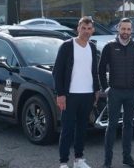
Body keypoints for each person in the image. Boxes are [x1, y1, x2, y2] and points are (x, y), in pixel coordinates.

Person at [98, 17, 134, 168]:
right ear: (118, 29)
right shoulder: (109, 46)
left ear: (131, 30)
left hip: (132, 92)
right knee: (111, 126)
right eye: (123, 29)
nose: (125, 32)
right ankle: (107, 162)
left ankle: (127, 158)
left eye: (128, 29)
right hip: (115, 92)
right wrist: (106, 88)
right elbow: (100, 69)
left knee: (128, 125)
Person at [53, 16, 100, 168]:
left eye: (89, 29)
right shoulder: (67, 46)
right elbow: (57, 72)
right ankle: (63, 162)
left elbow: (94, 71)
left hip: (87, 94)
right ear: (78, 29)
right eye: (83, 28)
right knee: (67, 129)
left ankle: (79, 159)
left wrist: (96, 90)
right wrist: (60, 94)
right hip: (70, 95)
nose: (86, 31)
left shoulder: (92, 47)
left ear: (92, 30)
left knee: (82, 128)